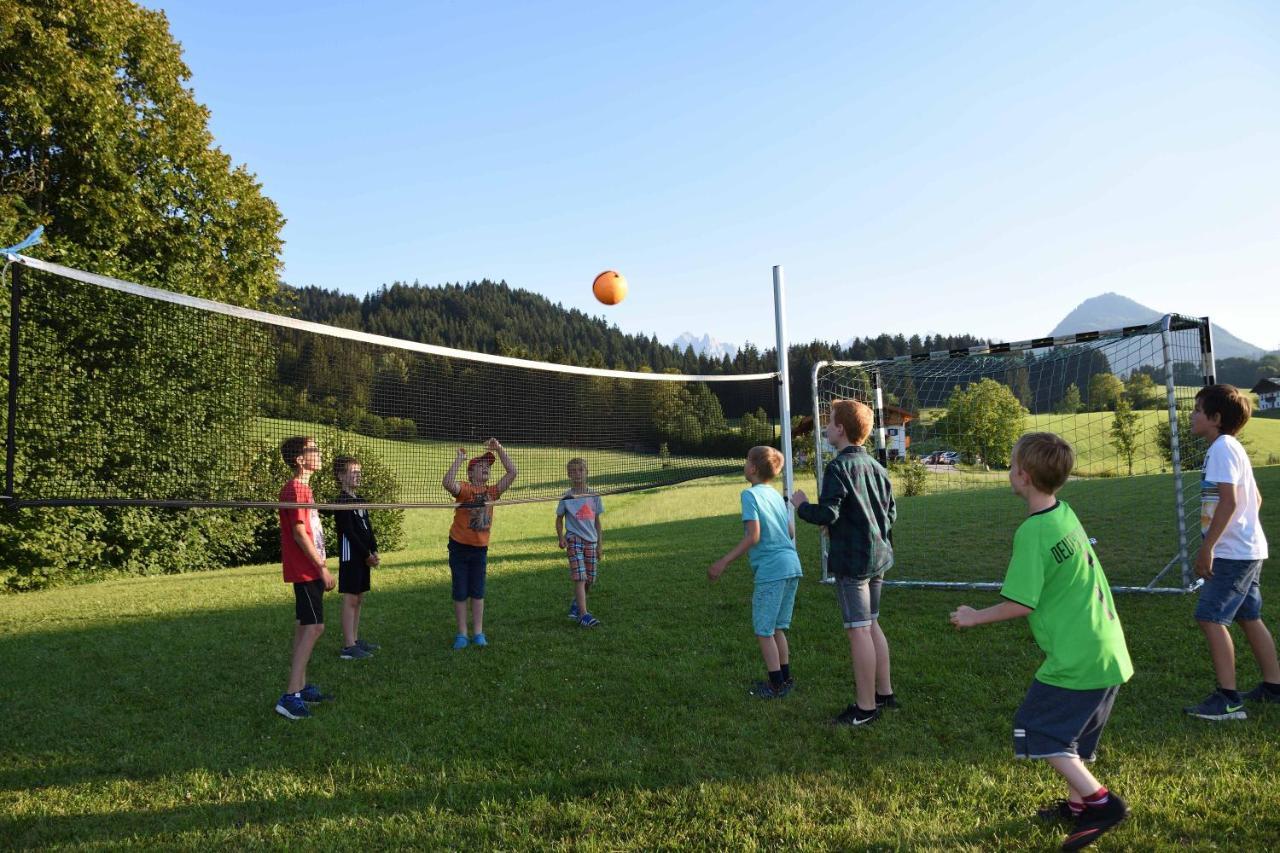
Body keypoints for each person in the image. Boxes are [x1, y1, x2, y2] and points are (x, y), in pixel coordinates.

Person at [950, 432, 1132, 851]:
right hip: (1106, 647)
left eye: (1012, 465)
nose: (1010, 471)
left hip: (1079, 658)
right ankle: (1077, 808)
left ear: (1023, 476)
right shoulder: (1064, 513)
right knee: (1076, 736)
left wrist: (974, 616)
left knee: (1039, 731)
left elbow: (1021, 603)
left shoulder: (1033, 532)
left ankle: (1101, 804)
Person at [791, 399, 897, 726]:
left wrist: (803, 506)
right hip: (878, 557)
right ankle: (884, 693)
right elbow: (889, 513)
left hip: (853, 563)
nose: (825, 427)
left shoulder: (838, 468)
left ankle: (865, 708)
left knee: (859, 631)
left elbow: (830, 512)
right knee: (872, 623)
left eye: (830, 421)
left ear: (840, 429)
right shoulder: (878, 467)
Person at [1183, 384, 1279, 720]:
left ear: (1216, 418)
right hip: (1247, 548)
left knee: (1209, 616)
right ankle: (1274, 686)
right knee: (1248, 616)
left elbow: (1230, 500)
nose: (1191, 416)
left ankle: (1228, 700)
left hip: (1233, 552)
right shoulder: (1228, 446)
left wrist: (1208, 547)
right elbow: (1256, 499)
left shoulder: (1222, 449)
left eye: (1197, 410)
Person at [709, 446, 803, 699]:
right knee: (778, 628)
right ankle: (785, 678)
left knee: (764, 630)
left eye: (747, 460)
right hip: (792, 566)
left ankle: (775, 685)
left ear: (753, 468)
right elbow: (791, 531)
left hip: (772, 570)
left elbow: (754, 536)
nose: (745, 464)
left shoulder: (749, 496)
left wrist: (723, 562)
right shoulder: (774, 495)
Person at [275, 436, 337, 720]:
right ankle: (290, 696)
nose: (320, 453)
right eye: (314, 450)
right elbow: (300, 533)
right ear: (301, 459)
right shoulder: (296, 489)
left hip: (307, 568)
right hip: (306, 569)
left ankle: (300, 687)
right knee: (314, 628)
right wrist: (321, 567)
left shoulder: (302, 489)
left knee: (304, 627)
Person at [442, 437, 517, 649]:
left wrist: (499, 449)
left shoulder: (492, 492)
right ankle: (462, 634)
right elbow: (447, 483)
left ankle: (478, 633)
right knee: (460, 590)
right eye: (481, 465)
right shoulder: (465, 489)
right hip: (459, 546)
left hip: (480, 548)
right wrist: (460, 459)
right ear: (470, 472)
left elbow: (512, 472)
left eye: (488, 466)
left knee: (477, 591)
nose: (486, 468)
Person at [332, 454, 381, 661]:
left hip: (364, 555)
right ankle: (348, 646)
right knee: (351, 598)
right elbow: (350, 533)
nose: (358, 476)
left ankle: (355, 639)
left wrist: (374, 550)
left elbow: (367, 528)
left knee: (359, 597)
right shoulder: (341, 501)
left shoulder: (360, 500)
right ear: (341, 476)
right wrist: (366, 555)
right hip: (351, 556)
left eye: (359, 472)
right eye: (353, 472)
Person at [556, 457, 605, 628]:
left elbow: (597, 522)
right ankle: (584, 615)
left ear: (587, 472)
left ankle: (577, 604)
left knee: (590, 578)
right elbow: (559, 519)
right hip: (573, 539)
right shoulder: (567, 497)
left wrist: (600, 545)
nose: (577, 474)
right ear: (568, 475)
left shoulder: (594, 495)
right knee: (580, 576)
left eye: (580, 470)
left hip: (591, 541)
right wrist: (561, 537)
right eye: (573, 471)